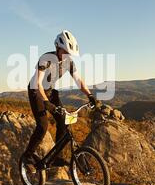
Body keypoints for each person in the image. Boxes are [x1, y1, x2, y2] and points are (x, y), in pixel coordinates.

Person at [23, 30, 100, 166]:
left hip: (51, 92)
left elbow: (79, 80)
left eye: (69, 54)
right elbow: (37, 83)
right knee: (43, 126)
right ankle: (28, 155)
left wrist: (90, 95)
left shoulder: (68, 62)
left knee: (64, 121)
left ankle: (54, 157)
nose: (67, 56)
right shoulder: (46, 59)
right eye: (65, 52)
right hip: (36, 91)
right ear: (57, 48)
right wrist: (46, 102)